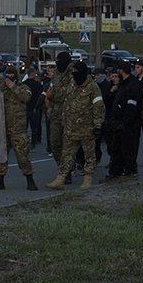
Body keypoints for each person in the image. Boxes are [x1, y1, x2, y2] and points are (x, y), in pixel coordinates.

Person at [46, 62, 105, 190]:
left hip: (86, 128)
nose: (74, 75)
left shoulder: (92, 88)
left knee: (89, 155)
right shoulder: (71, 86)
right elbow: (64, 103)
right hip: (70, 128)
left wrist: (97, 125)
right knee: (66, 155)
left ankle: (88, 178)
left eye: (76, 73)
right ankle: (61, 177)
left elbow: (98, 107)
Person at [0, 66, 37, 191]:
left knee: (23, 157)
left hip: (18, 130)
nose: (9, 77)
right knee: (1, 157)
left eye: (12, 75)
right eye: (8, 75)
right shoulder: (1, 89)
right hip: (3, 128)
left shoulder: (23, 87)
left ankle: (30, 179)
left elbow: (25, 98)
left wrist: (12, 86)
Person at [104, 62, 143, 181]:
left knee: (128, 150)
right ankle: (116, 171)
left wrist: (124, 121)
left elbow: (132, 105)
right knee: (116, 149)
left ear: (122, 71)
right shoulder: (123, 85)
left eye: (118, 72)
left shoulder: (132, 85)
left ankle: (130, 171)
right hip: (118, 124)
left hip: (128, 125)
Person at [46, 52, 73, 166]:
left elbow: (68, 94)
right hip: (55, 115)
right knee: (55, 143)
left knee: (68, 144)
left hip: (69, 114)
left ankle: (67, 170)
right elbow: (51, 94)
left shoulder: (72, 74)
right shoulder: (56, 75)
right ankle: (61, 166)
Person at [22, 67, 44, 149]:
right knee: (34, 127)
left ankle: (24, 142)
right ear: (33, 74)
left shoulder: (23, 84)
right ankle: (33, 143)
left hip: (25, 108)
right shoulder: (38, 85)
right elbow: (41, 96)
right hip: (35, 107)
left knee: (24, 127)